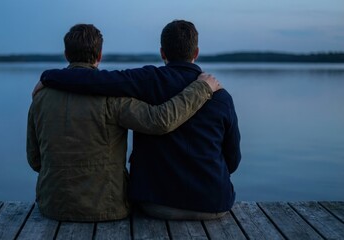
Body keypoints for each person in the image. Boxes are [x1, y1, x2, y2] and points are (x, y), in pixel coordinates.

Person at [34, 20, 241, 220]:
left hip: (155, 204)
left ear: (162, 52)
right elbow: (232, 160)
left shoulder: (146, 81)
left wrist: (49, 77)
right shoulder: (221, 96)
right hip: (213, 204)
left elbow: (96, 80)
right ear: (196, 52)